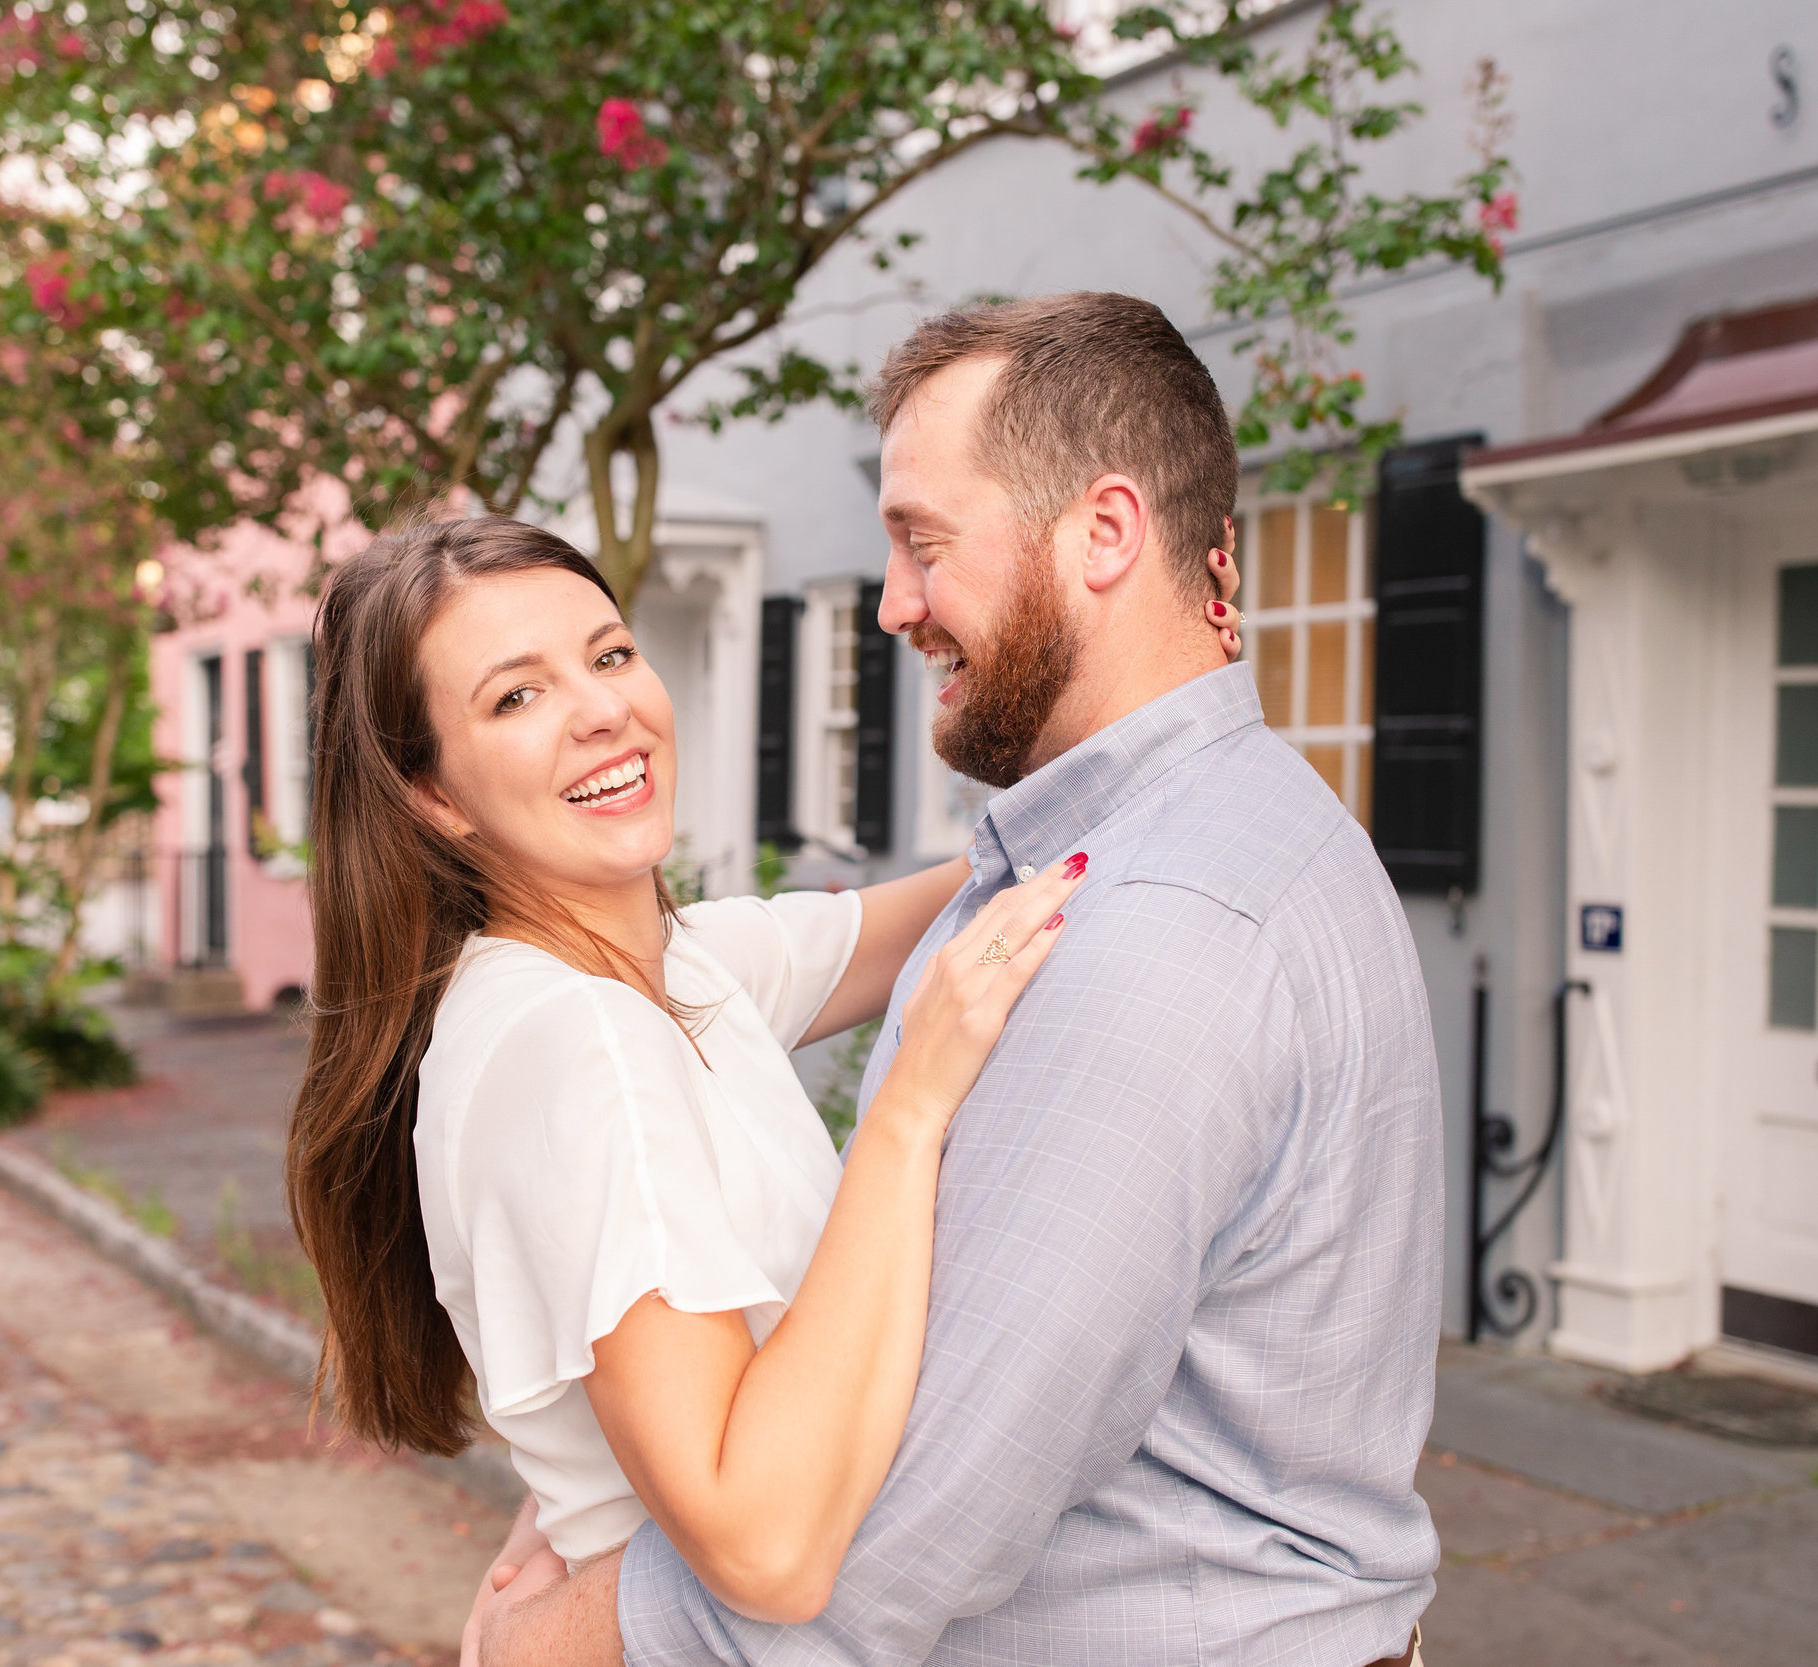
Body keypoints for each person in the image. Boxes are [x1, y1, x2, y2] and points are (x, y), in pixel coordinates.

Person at [473, 292, 1444, 1667]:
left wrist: (579, 1630)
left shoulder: (1147, 935)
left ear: (1105, 533)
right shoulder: (1212, 829)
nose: (894, 604)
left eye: (926, 544)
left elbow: (914, 1517)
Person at [284, 510, 1240, 1648]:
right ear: (432, 795)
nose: (602, 711)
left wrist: (1154, 751)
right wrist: (908, 1109)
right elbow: (764, 1546)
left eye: (607, 654)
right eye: (514, 697)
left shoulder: (670, 969)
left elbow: (952, 903)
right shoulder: (581, 1041)